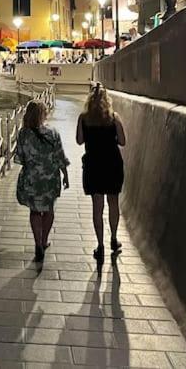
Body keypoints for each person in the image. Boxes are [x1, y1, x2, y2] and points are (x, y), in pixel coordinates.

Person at [14, 99, 70, 263]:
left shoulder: (23, 134)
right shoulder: (53, 133)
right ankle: (44, 240)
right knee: (49, 210)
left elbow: (20, 158)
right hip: (50, 178)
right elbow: (60, 156)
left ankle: (37, 242)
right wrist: (65, 175)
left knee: (35, 211)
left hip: (32, 178)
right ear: (42, 115)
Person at [77, 83, 126, 263]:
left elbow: (79, 141)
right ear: (107, 100)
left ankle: (100, 245)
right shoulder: (114, 118)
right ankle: (113, 238)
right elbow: (122, 141)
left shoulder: (83, 118)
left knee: (97, 207)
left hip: (93, 165)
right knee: (113, 203)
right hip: (112, 164)